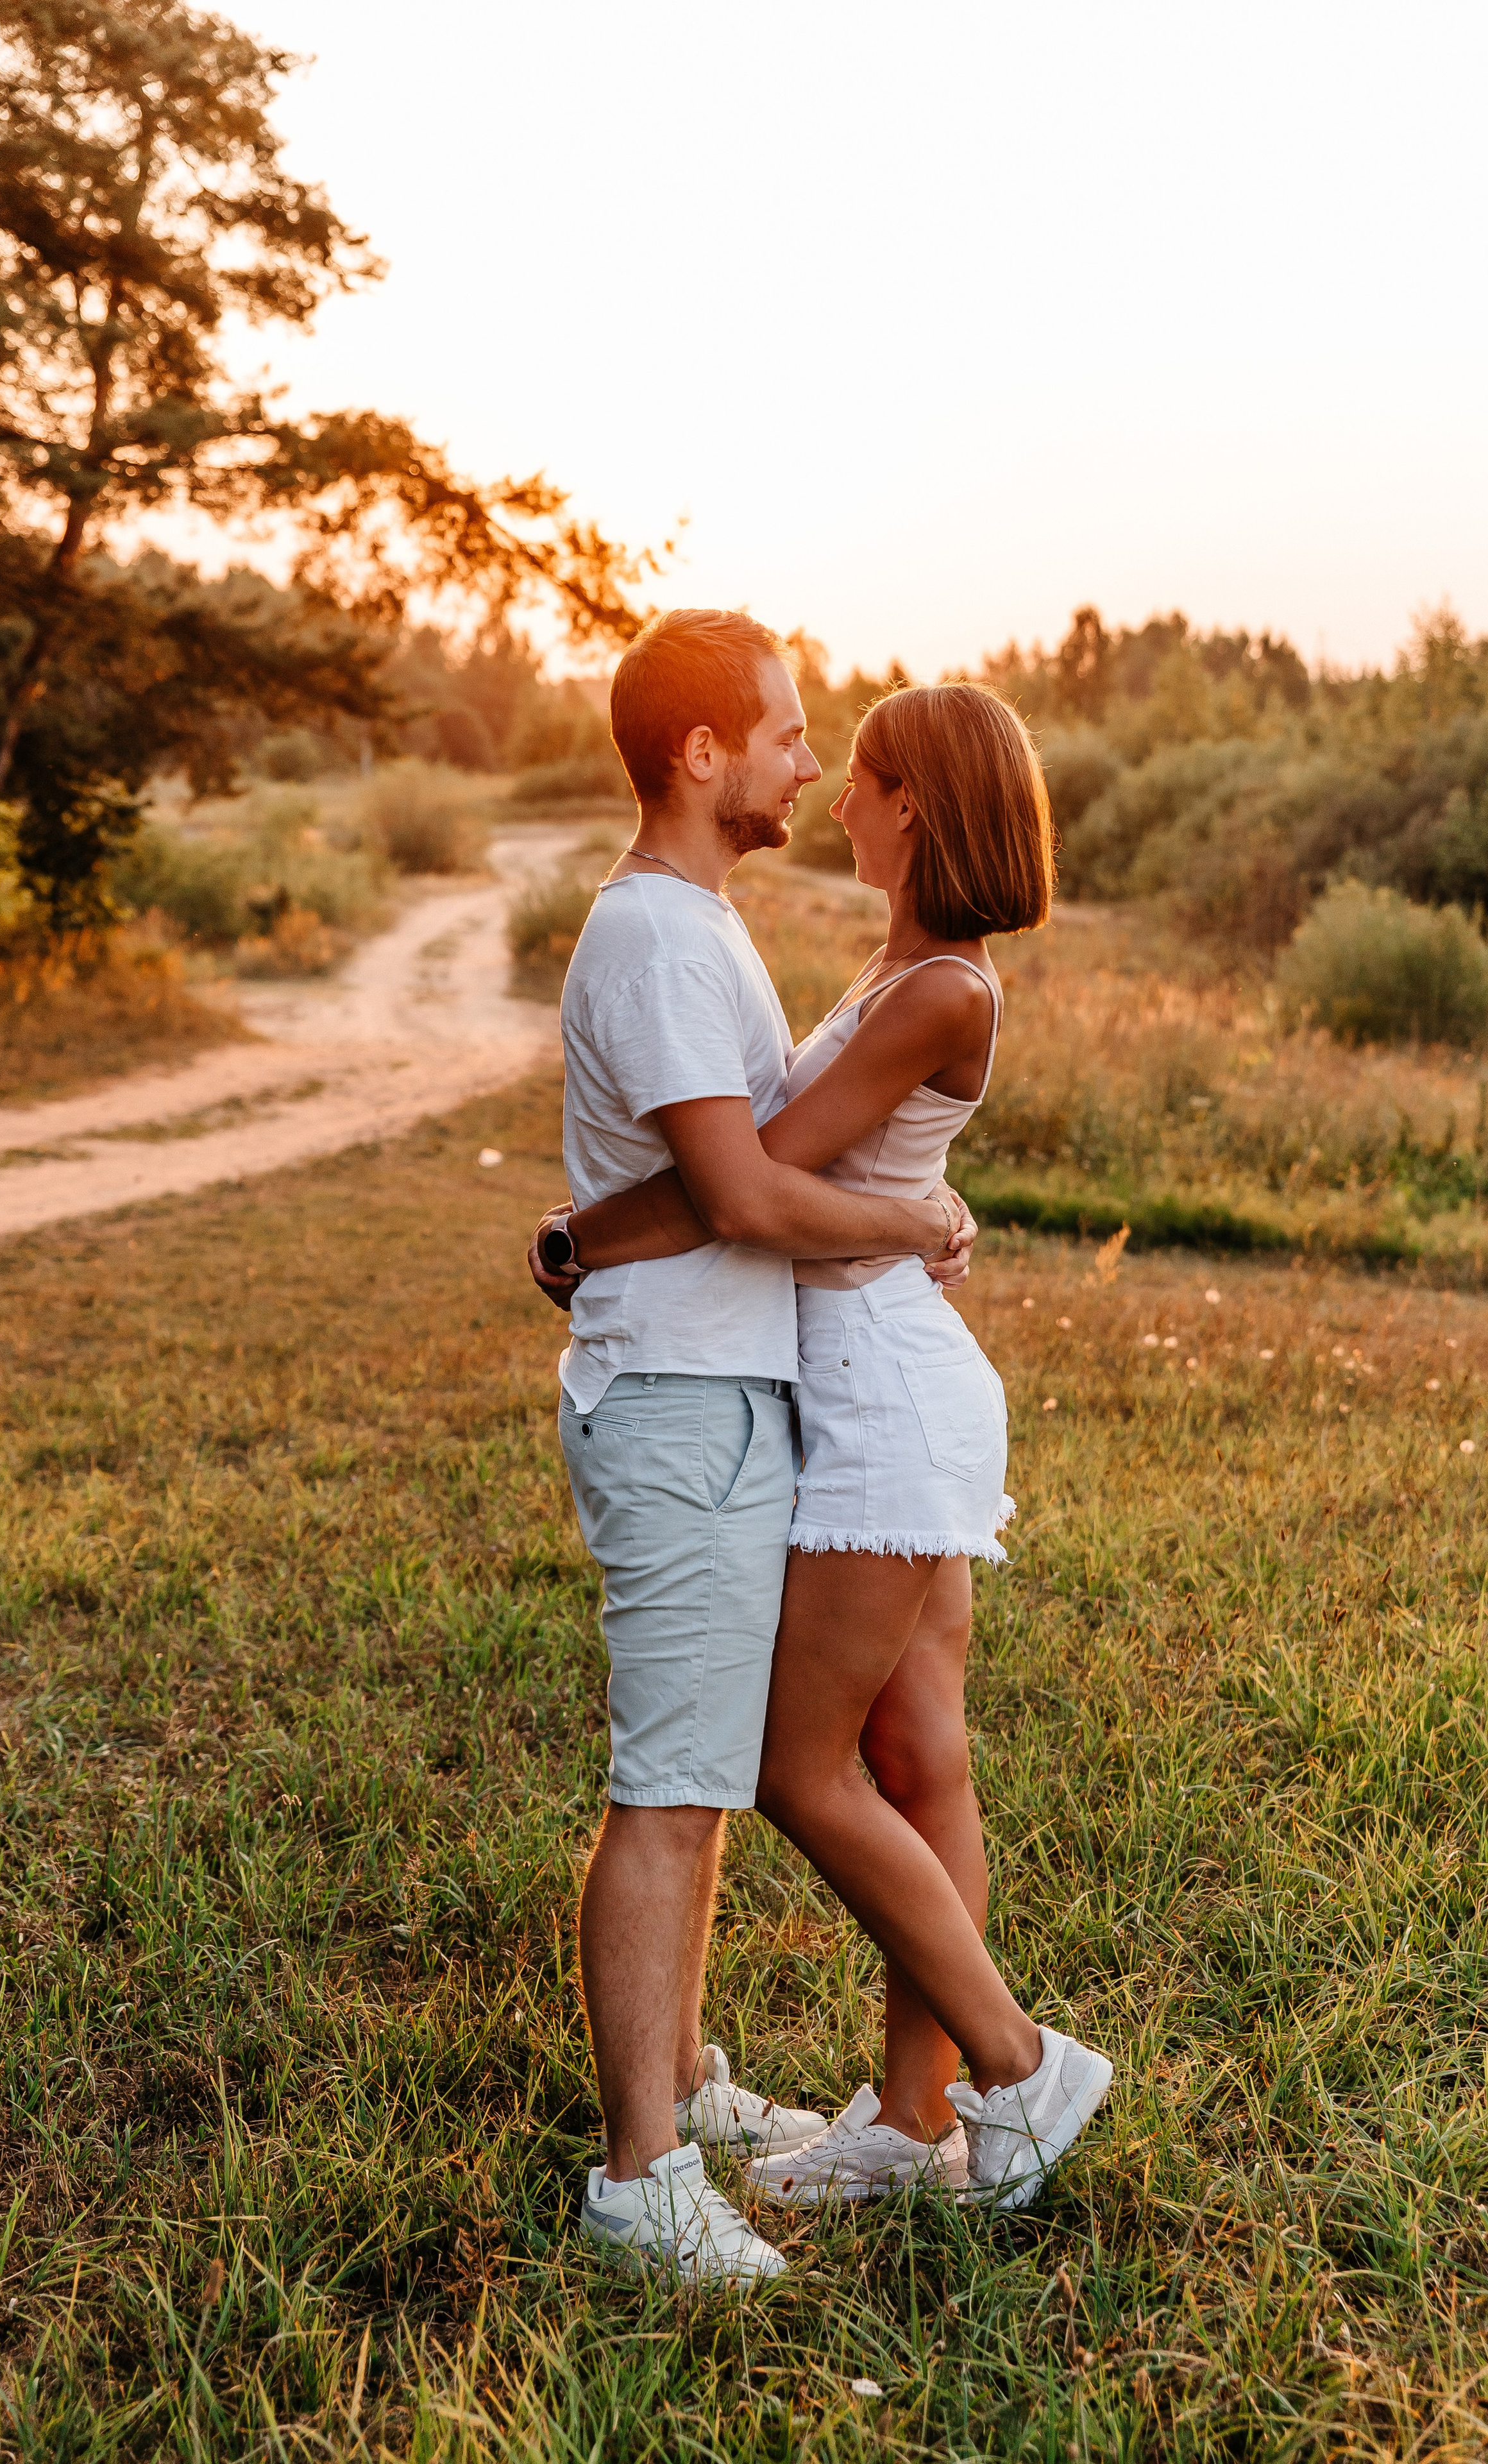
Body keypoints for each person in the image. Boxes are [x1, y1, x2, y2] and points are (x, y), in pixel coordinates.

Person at [541, 675, 1112, 2229]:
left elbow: (755, 1177)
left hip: (878, 1394)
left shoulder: (943, 990)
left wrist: (577, 1238)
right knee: (918, 1756)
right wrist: (903, 1211)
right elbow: (799, 1176)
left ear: (913, 802)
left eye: (854, 770)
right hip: (865, 1372)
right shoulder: (897, 966)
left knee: (798, 1766)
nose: (831, 790)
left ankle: (1018, 2068)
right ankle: (918, 2117)